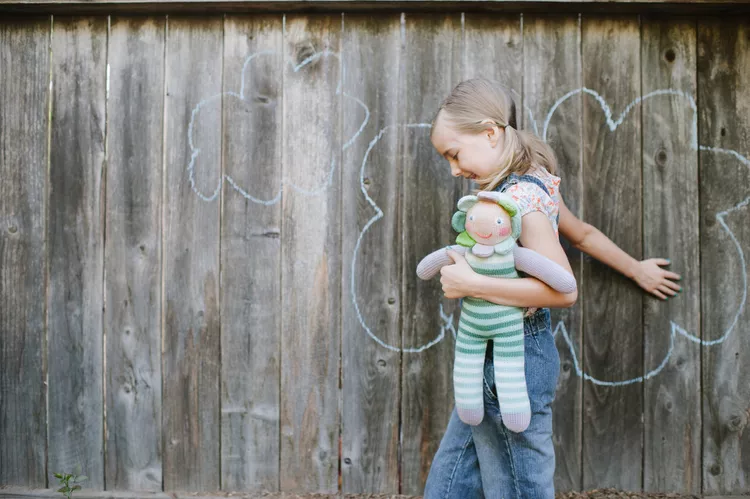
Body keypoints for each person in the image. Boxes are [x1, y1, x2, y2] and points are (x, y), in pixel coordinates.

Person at [423, 78, 681, 499]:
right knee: (449, 487)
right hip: (485, 362)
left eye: (454, 153)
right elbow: (580, 233)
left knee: (521, 489)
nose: (454, 169)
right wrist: (636, 269)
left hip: (512, 360)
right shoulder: (533, 180)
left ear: (490, 133)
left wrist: (473, 283)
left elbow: (563, 291)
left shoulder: (522, 197)